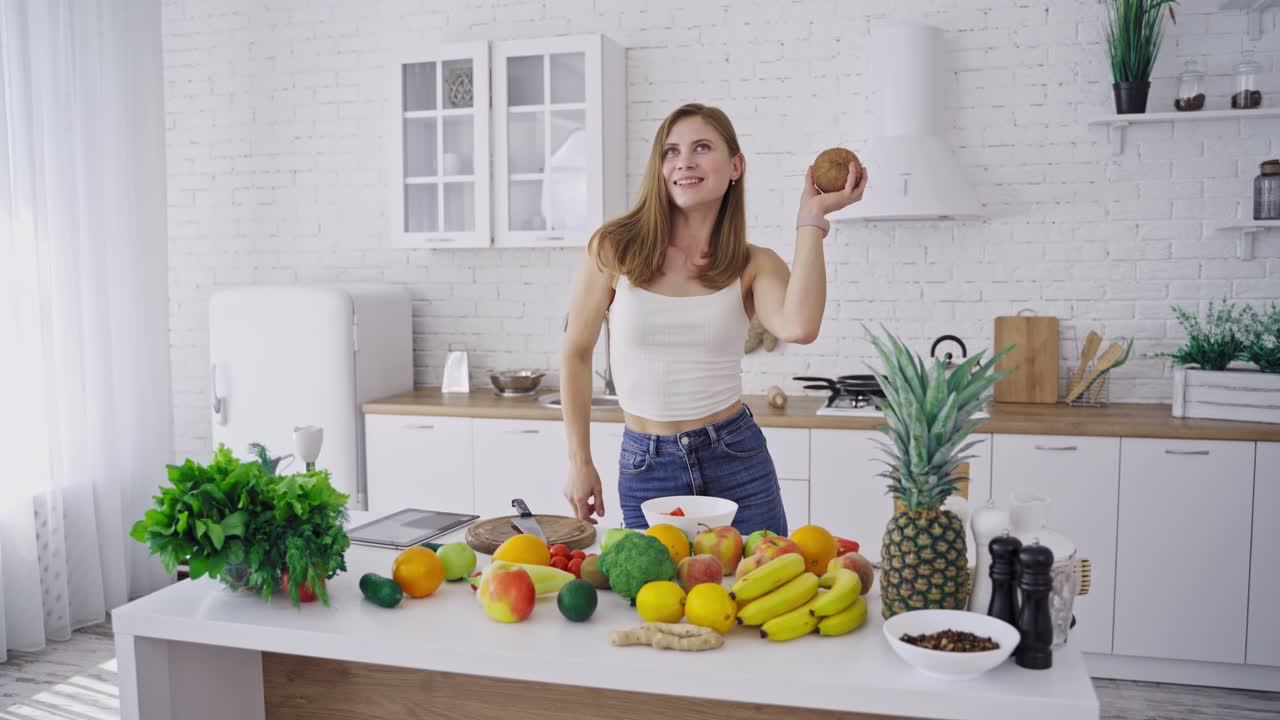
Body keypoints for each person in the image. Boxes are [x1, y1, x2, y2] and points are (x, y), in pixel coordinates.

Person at [559, 103, 867, 535]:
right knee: (655, 600)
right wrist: (579, 461)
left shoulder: (753, 263)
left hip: (735, 458)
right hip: (647, 465)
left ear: (735, 165)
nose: (684, 161)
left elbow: (799, 326)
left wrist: (811, 220)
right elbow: (575, 353)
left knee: (758, 595)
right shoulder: (614, 250)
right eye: (671, 151)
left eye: (701, 147)